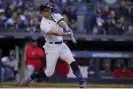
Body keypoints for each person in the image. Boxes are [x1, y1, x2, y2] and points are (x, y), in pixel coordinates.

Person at [22, 3, 86, 88]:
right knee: (49, 73)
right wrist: (65, 33)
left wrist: (67, 28)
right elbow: (54, 32)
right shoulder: (43, 24)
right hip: (51, 47)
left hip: (61, 45)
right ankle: (30, 78)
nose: (49, 11)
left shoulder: (56, 15)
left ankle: (81, 81)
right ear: (42, 12)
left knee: (72, 60)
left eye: (49, 9)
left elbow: (62, 22)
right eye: (46, 10)